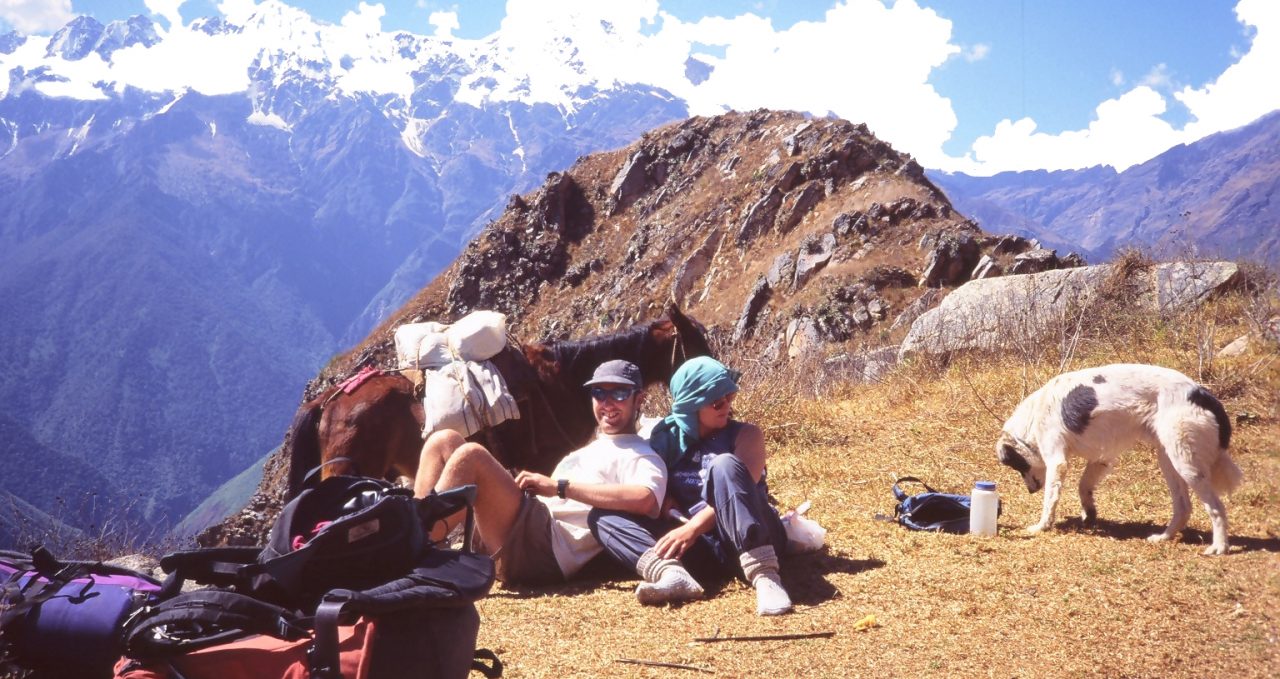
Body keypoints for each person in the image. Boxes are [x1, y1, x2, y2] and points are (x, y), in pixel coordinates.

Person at [411, 359, 680, 588]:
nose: (607, 403)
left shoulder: (642, 453)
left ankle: (411, 549)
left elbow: (646, 498)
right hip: (529, 522)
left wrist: (559, 487)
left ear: (639, 399)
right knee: (443, 440)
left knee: (472, 456)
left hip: (545, 545)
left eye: (619, 394)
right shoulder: (596, 444)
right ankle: (412, 532)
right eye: (599, 393)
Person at [589, 356, 792, 615]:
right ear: (691, 404)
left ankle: (766, 577)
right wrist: (666, 498)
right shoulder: (665, 439)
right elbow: (652, 486)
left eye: (729, 397)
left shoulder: (746, 435)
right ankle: (673, 574)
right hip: (703, 546)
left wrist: (693, 529)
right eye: (717, 402)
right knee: (601, 517)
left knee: (724, 465)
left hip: (751, 536)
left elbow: (742, 492)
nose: (726, 407)